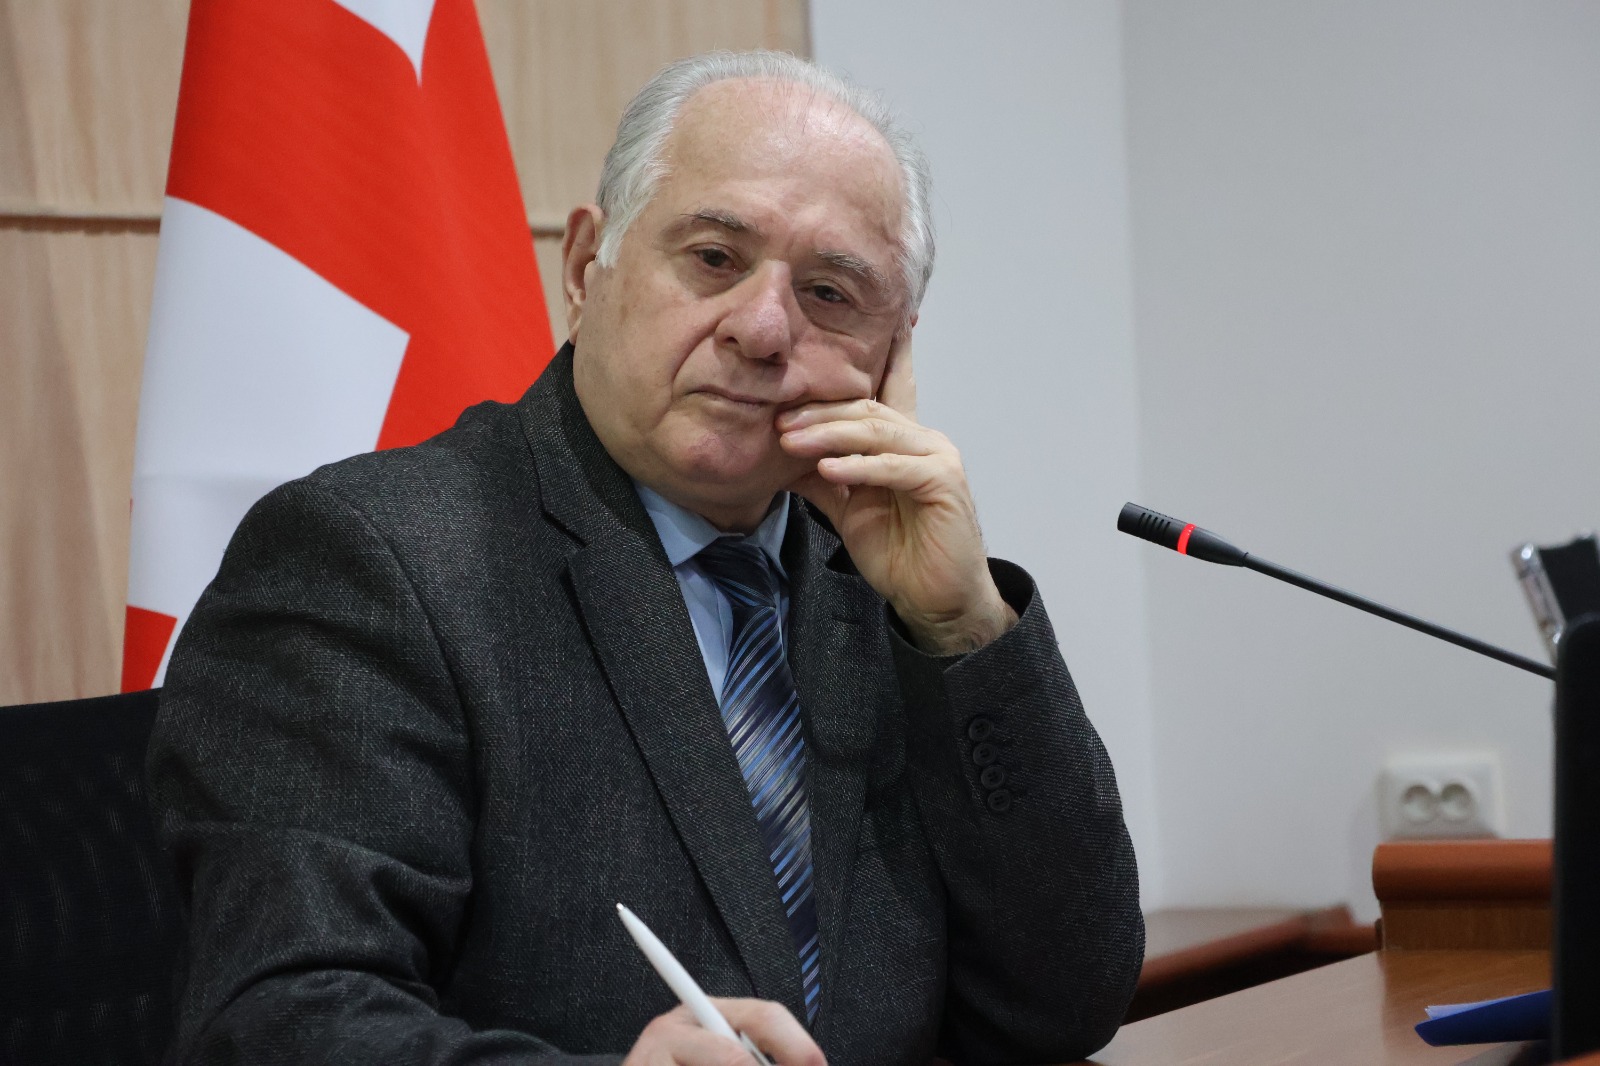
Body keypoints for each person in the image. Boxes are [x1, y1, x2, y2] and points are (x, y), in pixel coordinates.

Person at [148, 50, 1143, 1066]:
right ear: (588, 266)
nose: (764, 329)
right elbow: (282, 1020)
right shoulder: (374, 562)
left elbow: (1065, 1000)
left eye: (829, 292)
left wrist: (962, 628)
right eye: (713, 257)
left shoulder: (884, 581)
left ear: (892, 353)